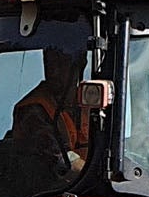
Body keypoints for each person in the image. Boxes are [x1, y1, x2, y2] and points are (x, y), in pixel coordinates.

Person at [8, 48, 92, 176]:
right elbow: (61, 160)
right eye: (49, 63)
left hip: (84, 188)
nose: (53, 71)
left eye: (61, 63)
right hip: (48, 190)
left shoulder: (91, 102)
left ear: (81, 63)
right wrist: (96, 177)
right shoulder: (32, 109)